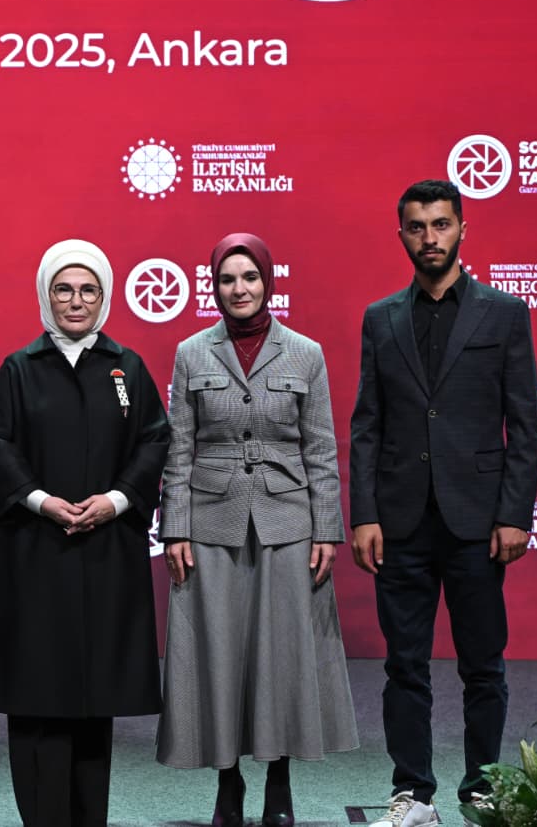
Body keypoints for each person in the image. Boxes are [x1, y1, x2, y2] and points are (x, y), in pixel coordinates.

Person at [348, 179, 537, 827]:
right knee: (404, 665)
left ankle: (482, 788)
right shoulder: (381, 318)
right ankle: (413, 794)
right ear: (401, 235)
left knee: (483, 665)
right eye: (417, 227)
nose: (429, 238)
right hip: (400, 520)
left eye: (440, 224)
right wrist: (364, 513)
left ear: (462, 228)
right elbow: (367, 423)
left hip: (477, 521)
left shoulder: (505, 313)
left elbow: (525, 424)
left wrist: (514, 515)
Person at [0, 239, 170, 827]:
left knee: (95, 699)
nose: (76, 301)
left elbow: (154, 440)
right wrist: (41, 500)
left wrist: (117, 500)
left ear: (104, 296)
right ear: (45, 295)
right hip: (34, 553)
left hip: (106, 552)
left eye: (88, 290)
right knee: (35, 695)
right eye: (64, 290)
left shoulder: (127, 367)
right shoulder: (19, 368)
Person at [157, 233, 357, 827]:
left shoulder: (306, 353)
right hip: (211, 521)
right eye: (227, 279)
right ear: (213, 286)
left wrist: (327, 529)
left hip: (288, 521)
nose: (239, 289)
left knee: (282, 654)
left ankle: (279, 780)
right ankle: (228, 781)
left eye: (249, 277)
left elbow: (321, 448)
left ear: (268, 282)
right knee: (219, 652)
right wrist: (174, 529)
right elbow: (179, 450)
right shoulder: (191, 352)